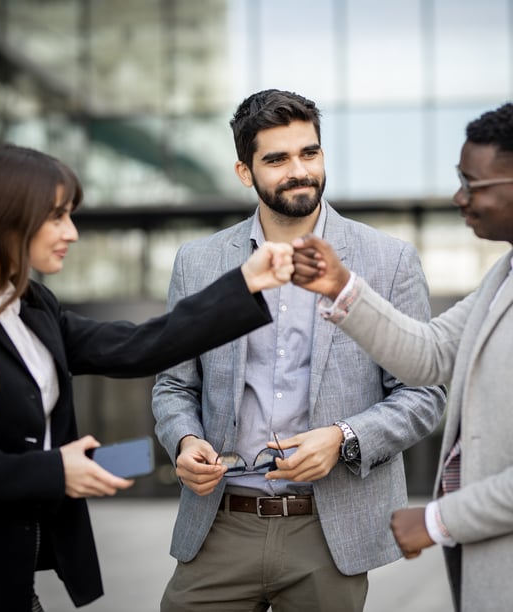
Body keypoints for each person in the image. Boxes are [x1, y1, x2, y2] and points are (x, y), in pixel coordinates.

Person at [292, 97, 513, 612]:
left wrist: (437, 519)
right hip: (502, 570)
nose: (459, 197)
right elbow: (429, 354)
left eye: (473, 185)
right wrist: (343, 288)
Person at [151, 88, 446, 612]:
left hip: (329, 535)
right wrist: (183, 440)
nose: (299, 170)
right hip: (220, 524)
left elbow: (424, 394)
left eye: (309, 152)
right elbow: (174, 383)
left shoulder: (390, 261)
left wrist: (343, 438)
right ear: (244, 172)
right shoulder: (197, 263)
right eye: (277, 159)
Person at [0, 142, 294, 612]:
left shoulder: (30, 306)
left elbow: (139, 345)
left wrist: (243, 283)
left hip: (9, 577)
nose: (71, 232)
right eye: (56, 217)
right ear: (6, 216)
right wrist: (52, 471)